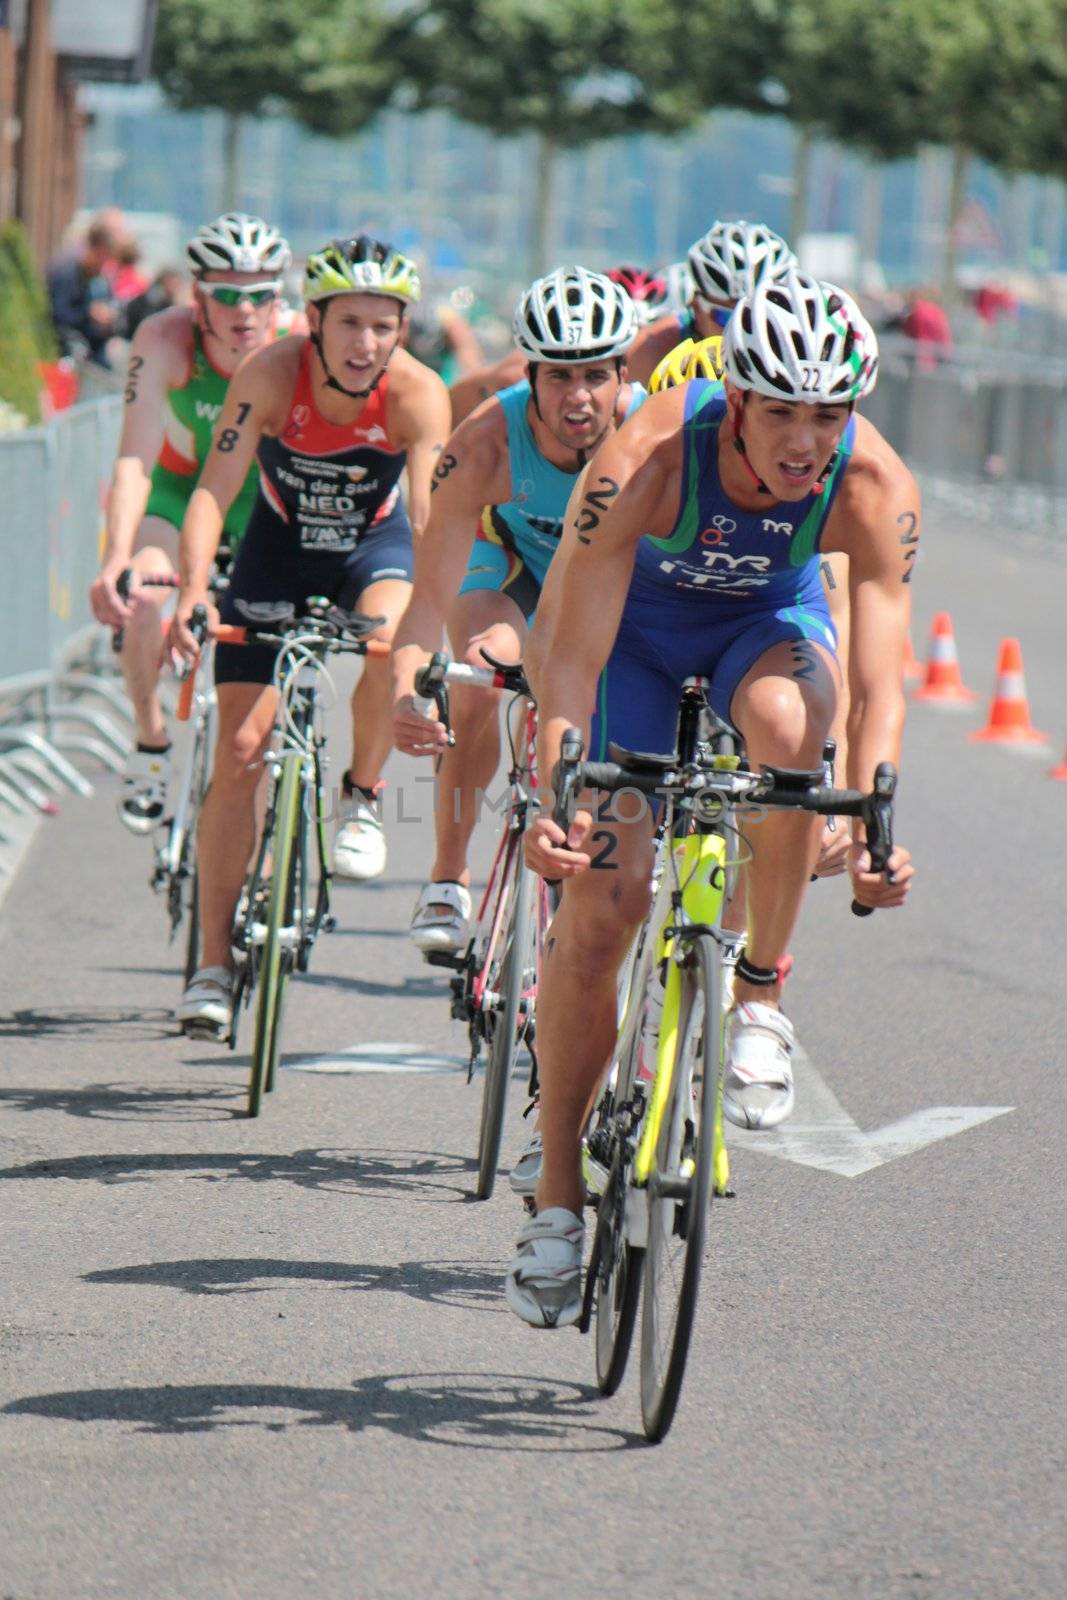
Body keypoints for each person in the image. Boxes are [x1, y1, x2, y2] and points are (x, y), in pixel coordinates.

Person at [508, 271, 917, 1327]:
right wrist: (560, 781)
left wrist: (872, 812)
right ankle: (555, 1192)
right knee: (601, 914)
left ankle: (761, 997)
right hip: (634, 641)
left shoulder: (868, 480)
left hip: (762, 629)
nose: (803, 439)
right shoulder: (647, 454)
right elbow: (570, 645)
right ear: (733, 400)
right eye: (781, 410)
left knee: (789, 732)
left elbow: (879, 670)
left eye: (826, 414)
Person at [170, 234, 450, 1037]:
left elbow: (430, 521)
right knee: (239, 753)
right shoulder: (269, 374)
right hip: (277, 554)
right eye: (350, 323)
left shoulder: (416, 393)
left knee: (389, 639)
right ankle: (212, 965)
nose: (366, 344)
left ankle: (359, 796)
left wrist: (436, 622)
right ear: (316, 320)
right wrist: (195, 588)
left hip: (375, 551)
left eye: (384, 326)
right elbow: (213, 490)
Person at [390, 267, 643, 956]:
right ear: (528, 375)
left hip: (614, 581)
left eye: (595, 375)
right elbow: (425, 605)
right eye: (558, 376)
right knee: (477, 673)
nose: (579, 396)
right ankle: (447, 876)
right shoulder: (484, 444)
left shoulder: (656, 437)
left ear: (624, 373)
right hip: (510, 564)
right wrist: (409, 692)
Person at [90, 213, 299, 833]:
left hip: (266, 507)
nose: (245, 311)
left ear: (279, 300)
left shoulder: (298, 345)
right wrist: (116, 558)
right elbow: (134, 459)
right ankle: (152, 744)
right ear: (198, 298)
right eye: (227, 296)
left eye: (260, 295)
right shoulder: (163, 340)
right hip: (181, 501)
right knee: (144, 600)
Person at [627, 219, 796, 387]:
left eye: (761, 316)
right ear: (696, 308)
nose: (743, 329)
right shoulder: (650, 350)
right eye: (726, 316)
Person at [47, 215, 122, 365]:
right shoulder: (66, 273)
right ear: (94, 248)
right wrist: (89, 313)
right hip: (68, 351)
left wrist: (109, 320)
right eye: (103, 256)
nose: (104, 263)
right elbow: (58, 316)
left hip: (95, 352)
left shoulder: (100, 279)